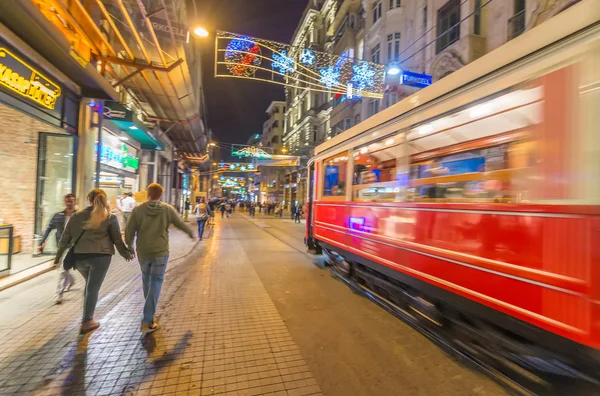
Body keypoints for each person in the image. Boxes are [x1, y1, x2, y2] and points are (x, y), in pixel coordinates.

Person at [55, 189, 133, 334]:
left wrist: (58, 258)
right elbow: (117, 239)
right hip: (100, 258)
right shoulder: (109, 217)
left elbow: (64, 239)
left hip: (79, 258)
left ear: (89, 200)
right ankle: (87, 321)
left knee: (90, 286)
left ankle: (87, 317)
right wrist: (126, 253)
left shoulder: (76, 216)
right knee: (92, 288)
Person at [125, 183, 194, 333]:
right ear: (160, 195)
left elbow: (129, 230)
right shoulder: (167, 209)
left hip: (143, 251)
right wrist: (190, 232)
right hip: (160, 251)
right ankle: (148, 319)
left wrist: (129, 247)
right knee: (156, 282)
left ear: (148, 194)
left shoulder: (137, 210)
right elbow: (180, 223)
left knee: (146, 279)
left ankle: (149, 312)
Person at [39, 193, 77, 304]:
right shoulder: (58, 216)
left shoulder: (79, 216)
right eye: (68, 201)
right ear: (64, 203)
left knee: (65, 268)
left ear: (75, 202)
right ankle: (59, 293)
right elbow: (49, 228)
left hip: (75, 246)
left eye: (72, 201)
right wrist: (42, 242)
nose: (69, 203)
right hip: (62, 246)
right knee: (64, 269)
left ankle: (69, 283)